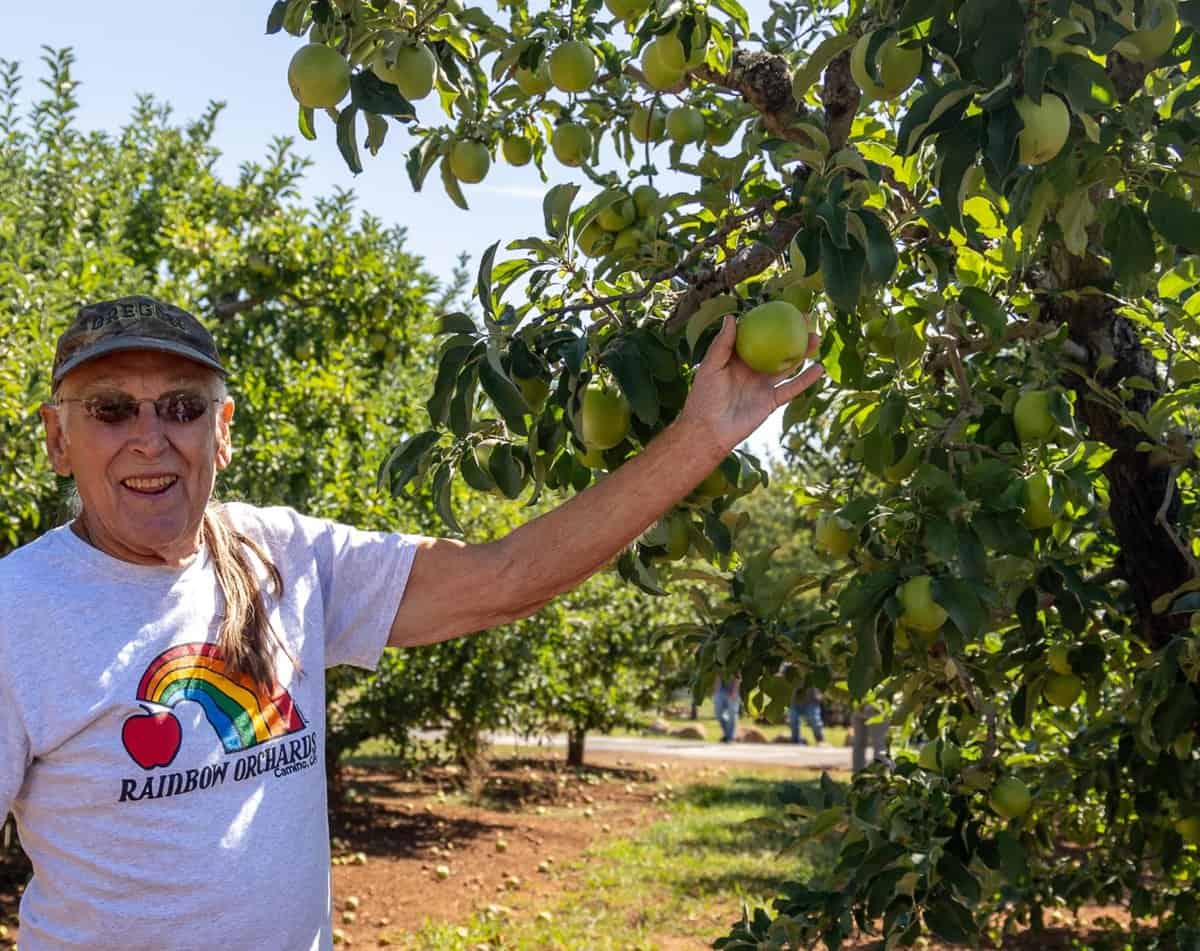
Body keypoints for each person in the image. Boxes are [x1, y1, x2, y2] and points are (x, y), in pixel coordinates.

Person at [0, 295, 822, 948]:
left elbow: (505, 578)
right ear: (57, 438)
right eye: (110, 409)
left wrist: (701, 437)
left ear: (223, 431)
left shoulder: (285, 555)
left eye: (181, 407)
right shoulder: (18, 612)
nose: (150, 439)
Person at [713, 674, 741, 743]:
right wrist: (716, 690)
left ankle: (730, 737)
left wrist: (734, 690)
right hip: (721, 689)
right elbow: (718, 675)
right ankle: (727, 735)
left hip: (733, 688)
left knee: (732, 713)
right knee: (718, 714)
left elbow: (738, 676)